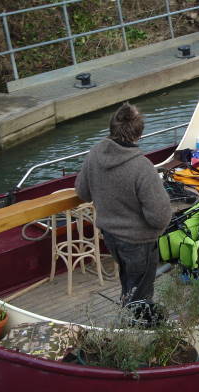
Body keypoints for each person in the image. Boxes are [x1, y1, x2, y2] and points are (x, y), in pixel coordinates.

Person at [75, 102, 172, 304]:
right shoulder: (142, 167)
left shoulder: (94, 154)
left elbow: (82, 193)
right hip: (139, 241)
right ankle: (138, 327)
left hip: (110, 236)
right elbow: (159, 217)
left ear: (112, 128)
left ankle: (128, 310)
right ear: (139, 134)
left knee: (128, 280)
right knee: (141, 293)